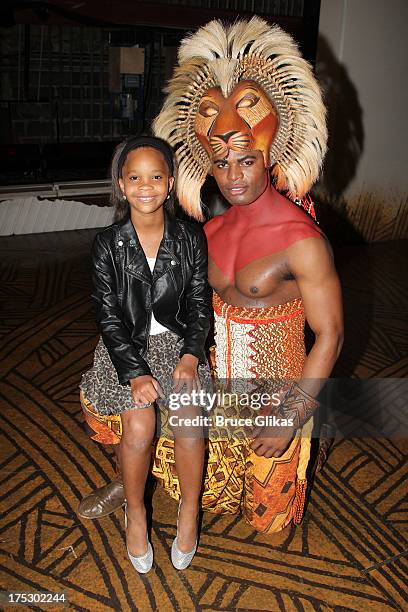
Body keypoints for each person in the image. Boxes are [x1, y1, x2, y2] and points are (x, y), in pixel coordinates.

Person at [79, 17, 343, 534]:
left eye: (246, 160)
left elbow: (330, 333)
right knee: (138, 396)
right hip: (208, 381)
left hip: (273, 394)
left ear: (269, 154)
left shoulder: (302, 239)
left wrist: (291, 415)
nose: (234, 174)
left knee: (269, 523)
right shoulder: (207, 232)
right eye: (221, 162)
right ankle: (133, 483)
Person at [79, 135, 212, 571]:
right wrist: (136, 372)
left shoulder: (190, 237)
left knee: (190, 417)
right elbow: (108, 317)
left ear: (170, 183)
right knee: (140, 424)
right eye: (135, 177)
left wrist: (191, 356)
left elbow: (198, 304)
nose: (146, 186)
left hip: (179, 346)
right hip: (126, 350)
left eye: (156, 176)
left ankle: (189, 513)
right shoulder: (107, 244)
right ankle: (136, 512)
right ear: (121, 185)